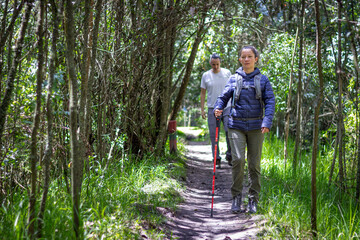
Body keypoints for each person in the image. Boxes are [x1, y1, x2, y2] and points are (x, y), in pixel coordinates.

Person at [214, 46, 275, 214]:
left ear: (256, 59)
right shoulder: (234, 79)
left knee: (254, 165)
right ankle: (236, 198)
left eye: (250, 56)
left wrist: (267, 121)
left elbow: (270, 101)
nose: (246, 59)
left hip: (257, 127)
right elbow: (223, 97)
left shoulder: (263, 80)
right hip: (236, 125)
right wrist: (218, 108)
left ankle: (253, 200)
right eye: (243, 56)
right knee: (238, 160)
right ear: (240, 59)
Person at [201, 53, 232, 169]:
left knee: (229, 131)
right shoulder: (206, 75)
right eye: (213, 64)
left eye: (217, 64)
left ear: (220, 63)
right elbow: (203, 92)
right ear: (210, 63)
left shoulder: (227, 73)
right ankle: (216, 159)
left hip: (227, 107)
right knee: (214, 135)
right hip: (212, 108)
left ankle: (230, 156)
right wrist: (202, 109)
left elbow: (233, 89)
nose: (215, 67)